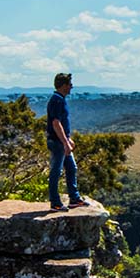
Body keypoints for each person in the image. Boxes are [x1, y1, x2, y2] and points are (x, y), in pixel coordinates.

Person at [46, 72, 89, 211]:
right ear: (63, 85)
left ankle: (74, 199)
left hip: (62, 141)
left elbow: (61, 124)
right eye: (70, 84)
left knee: (71, 168)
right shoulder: (57, 100)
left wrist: (68, 139)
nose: (71, 87)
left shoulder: (59, 99)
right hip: (57, 142)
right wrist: (65, 142)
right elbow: (56, 123)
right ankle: (55, 203)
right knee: (56, 171)